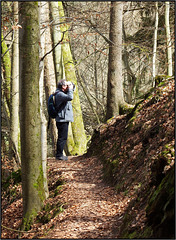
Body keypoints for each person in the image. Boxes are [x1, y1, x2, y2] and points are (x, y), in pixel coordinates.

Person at [55, 79, 74, 160]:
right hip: (62, 119)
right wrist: (69, 89)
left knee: (63, 137)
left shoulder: (61, 93)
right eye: (66, 85)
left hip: (63, 119)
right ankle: (59, 155)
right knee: (62, 138)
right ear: (63, 86)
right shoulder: (59, 94)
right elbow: (70, 97)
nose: (68, 87)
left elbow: (73, 90)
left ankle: (59, 154)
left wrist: (70, 86)